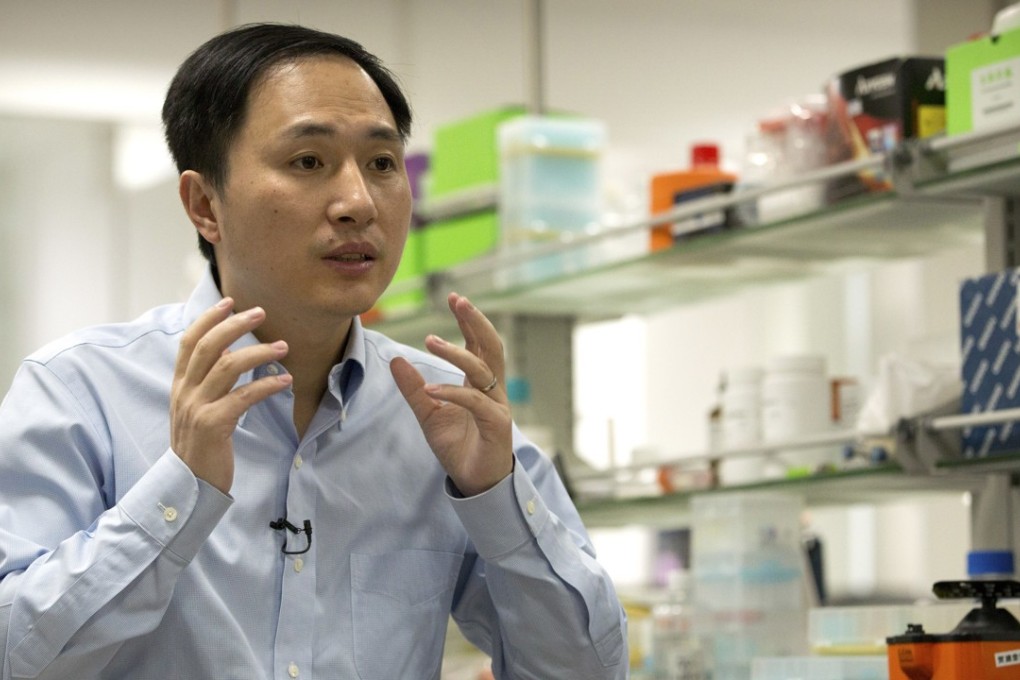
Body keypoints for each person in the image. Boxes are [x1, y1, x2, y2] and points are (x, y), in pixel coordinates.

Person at [0, 22, 628, 680]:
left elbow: (588, 672)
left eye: (382, 164)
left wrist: (495, 496)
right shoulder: (81, 391)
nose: (358, 201)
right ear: (204, 204)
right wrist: (178, 493)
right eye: (309, 162)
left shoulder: (445, 412)